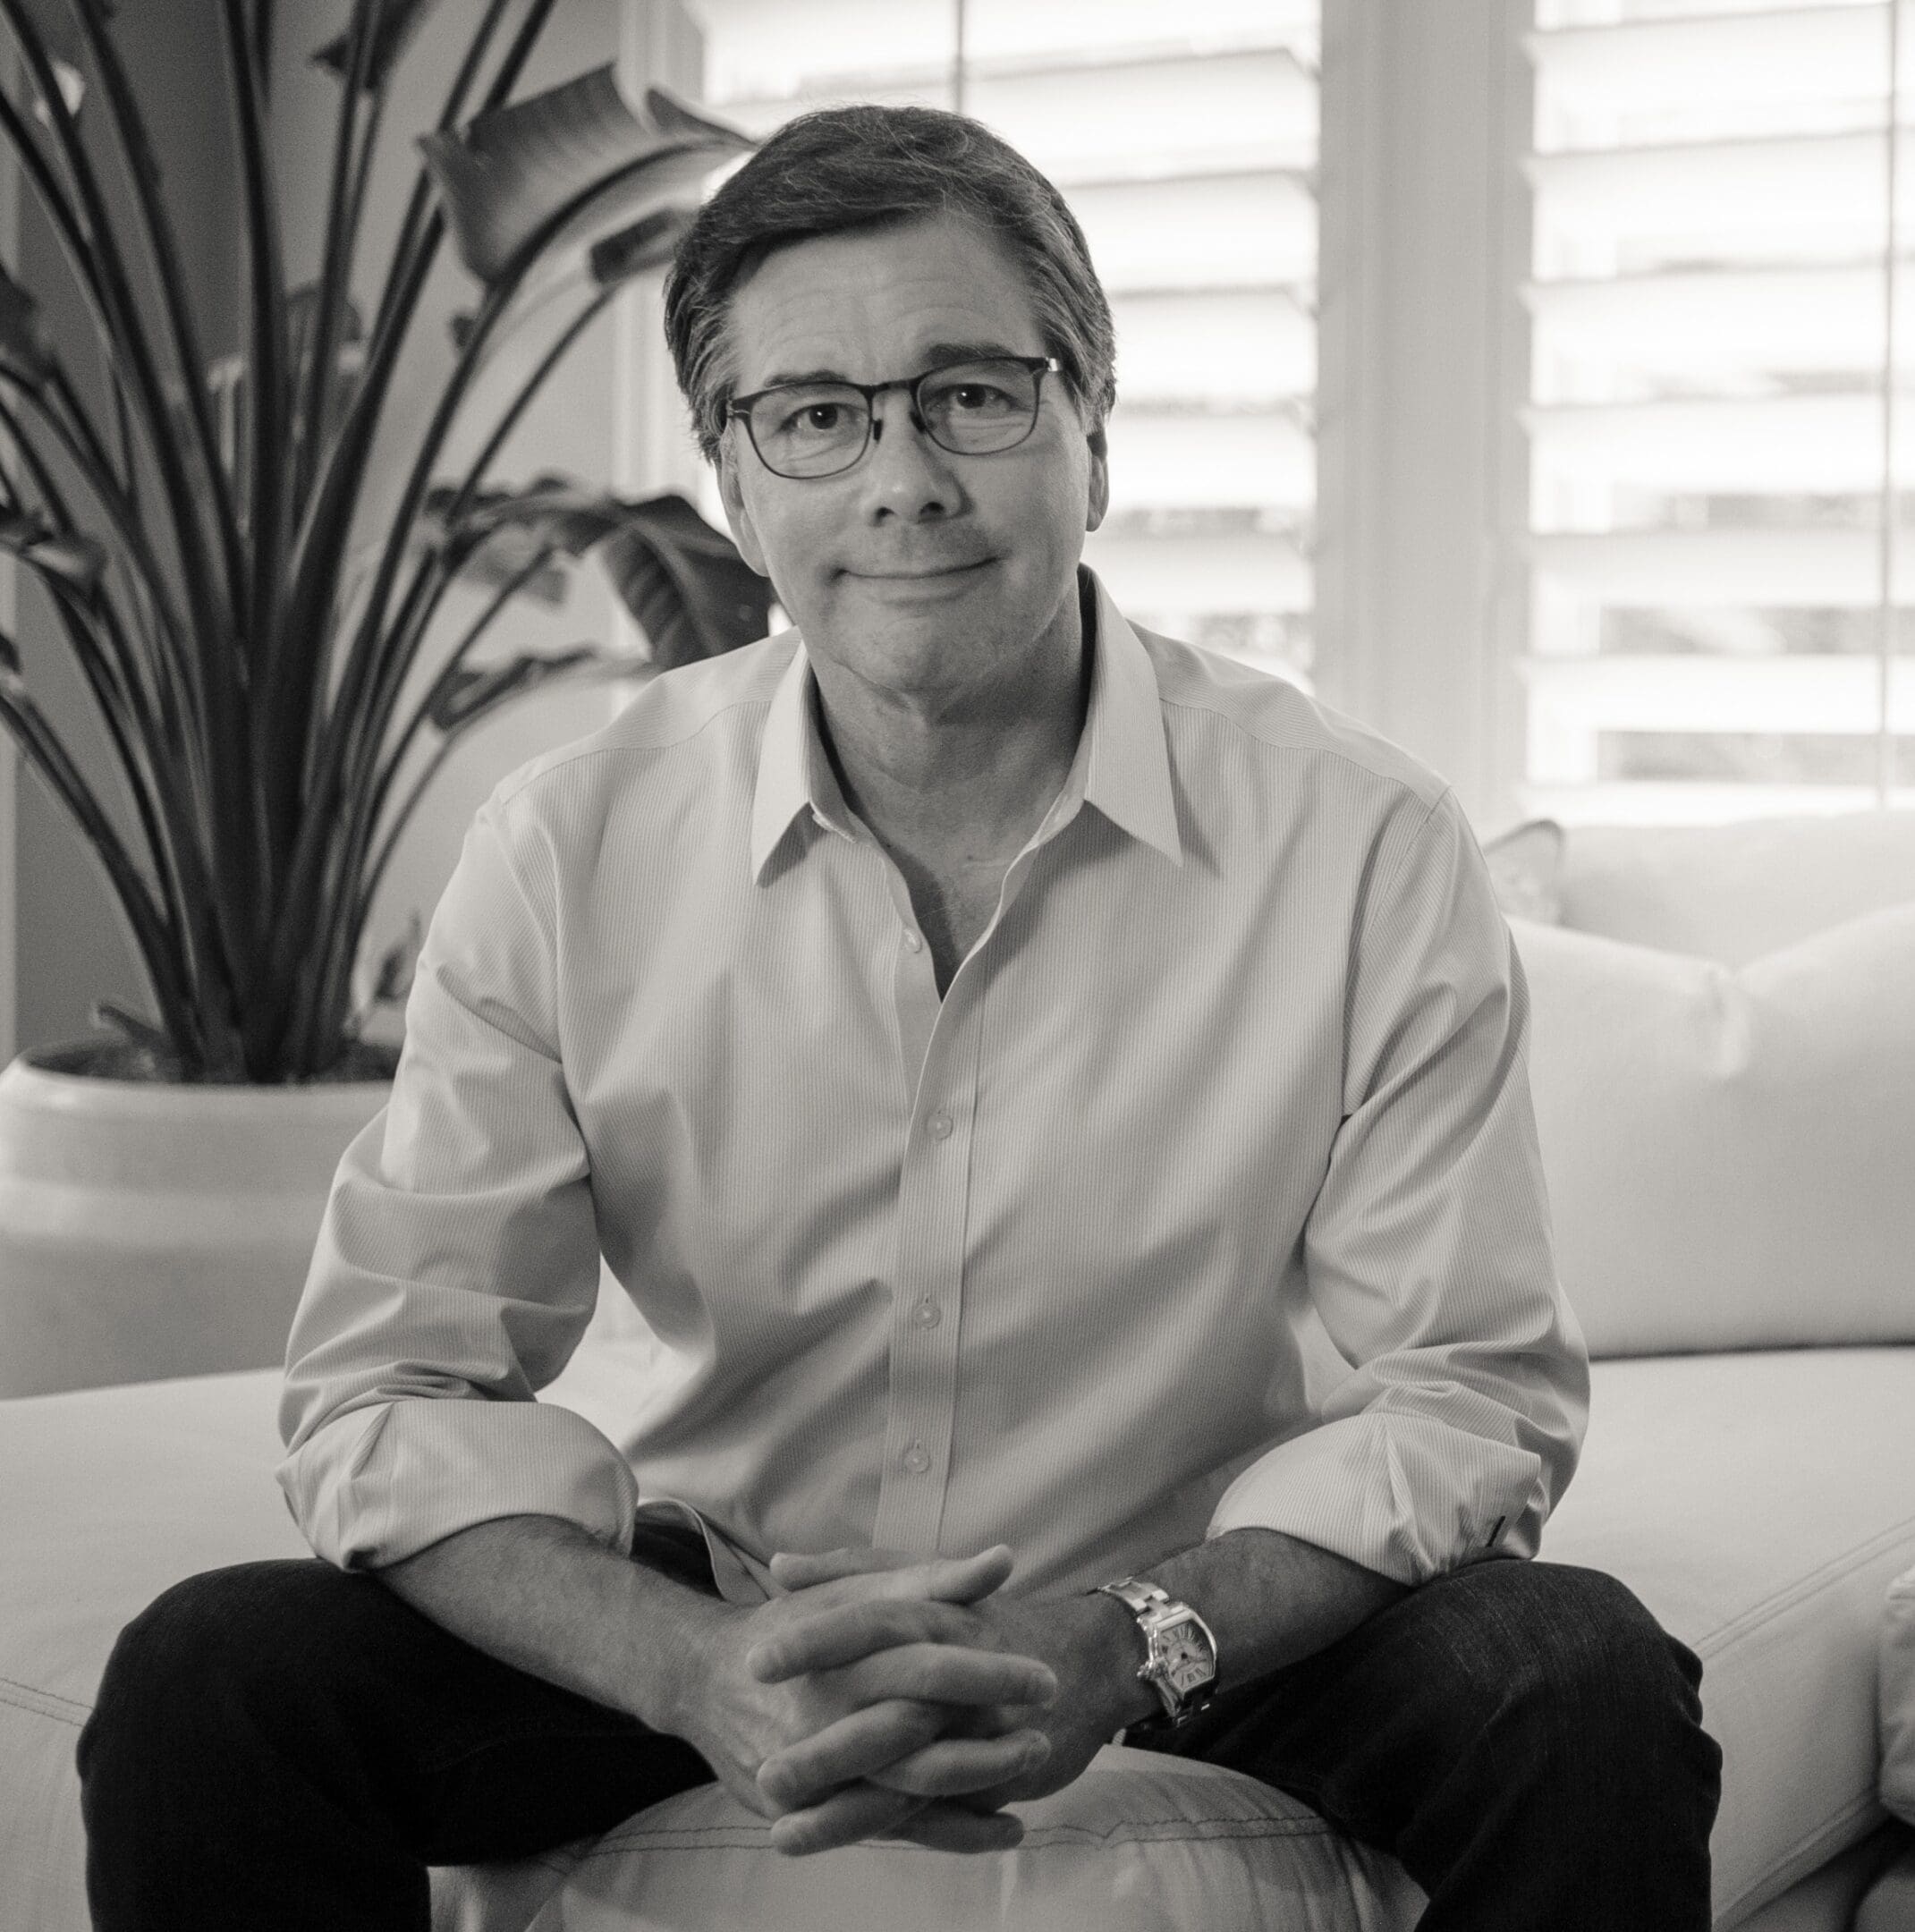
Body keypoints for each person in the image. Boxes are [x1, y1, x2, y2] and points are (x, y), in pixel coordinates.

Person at [77, 102, 1721, 1930]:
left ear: (1090, 427)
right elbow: (387, 1384)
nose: (903, 481)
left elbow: (1470, 1392)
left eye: (972, 395)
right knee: (208, 1682)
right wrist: (685, 1664)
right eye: (818, 415)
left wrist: (1129, 1638)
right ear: (735, 477)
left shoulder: (1360, 841)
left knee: (1574, 1682)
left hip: (1202, 1616)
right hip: (724, 1599)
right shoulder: (569, 843)